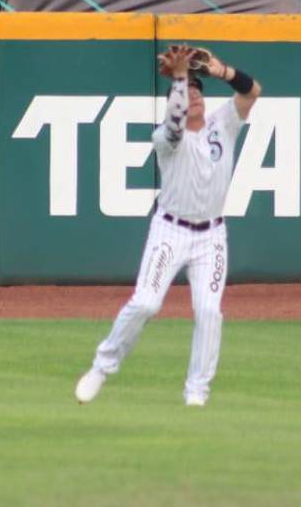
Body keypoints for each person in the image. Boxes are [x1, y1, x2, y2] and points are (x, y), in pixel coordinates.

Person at [75, 44, 261, 407]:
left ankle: (196, 393)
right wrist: (178, 77)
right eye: (186, 91)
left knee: (209, 311)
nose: (193, 96)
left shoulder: (223, 123)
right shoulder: (165, 137)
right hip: (170, 231)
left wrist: (222, 72)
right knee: (146, 303)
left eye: (197, 90)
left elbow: (252, 91)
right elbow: (176, 125)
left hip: (212, 235)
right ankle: (102, 366)